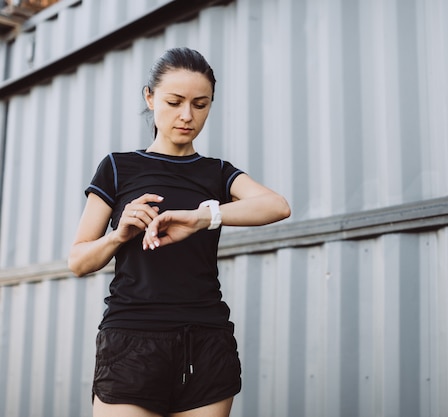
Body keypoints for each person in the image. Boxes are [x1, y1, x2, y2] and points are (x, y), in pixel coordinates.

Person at [68, 47, 291, 417]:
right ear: (150, 97)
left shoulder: (217, 172)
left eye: (201, 104)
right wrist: (118, 235)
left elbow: (277, 206)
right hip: (131, 342)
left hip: (205, 341)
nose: (187, 115)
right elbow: (77, 261)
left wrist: (203, 217)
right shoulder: (117, 168)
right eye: (174, 102)